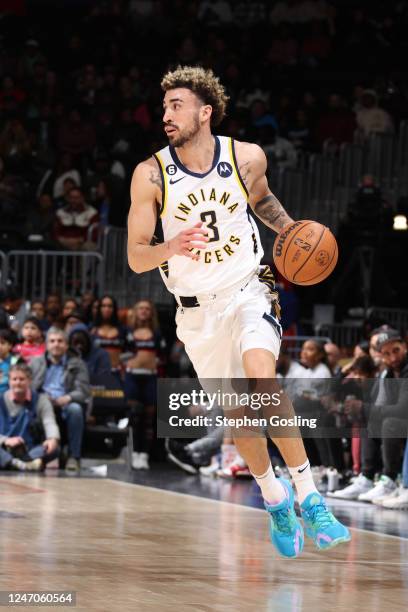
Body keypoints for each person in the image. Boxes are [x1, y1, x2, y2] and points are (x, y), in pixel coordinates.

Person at [127, 65, 350, 557]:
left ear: (205, 112)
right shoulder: (150, 174)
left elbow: (264, 200)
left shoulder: (245, 156)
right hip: (197, 314)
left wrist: (294, 235)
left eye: (176, 105)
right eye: (164, 106)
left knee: (262, 379)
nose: (166, 114)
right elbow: (135, 255)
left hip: (248, 287)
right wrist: (172, 245)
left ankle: (311, 497)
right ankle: (275, 499)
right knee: (241, 416)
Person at [30, 327, 90, 472]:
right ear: (46, 345)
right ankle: (37, 455)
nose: (56, 344)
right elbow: (29, 387)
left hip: (66, 403)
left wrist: (67, 398)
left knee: (75, 410)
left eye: (60, 341)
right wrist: (42, 398)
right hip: (43, 402)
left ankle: (74, 457)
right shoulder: (36, 362)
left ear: (67, 345)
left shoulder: (77, 363)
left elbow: (84, 391)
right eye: (52, 341)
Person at [0, 363, 60, 472]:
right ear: (9, 381)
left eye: (22, 379)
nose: (18, 382)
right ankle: (17, 463)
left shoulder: (41, 400)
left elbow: (49, 421)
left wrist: (53, 439)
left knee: (53, 449)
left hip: (29, 449)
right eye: (14, 379)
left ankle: (15, 463)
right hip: (4, 448)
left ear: (29, 381)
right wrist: (5, 440)